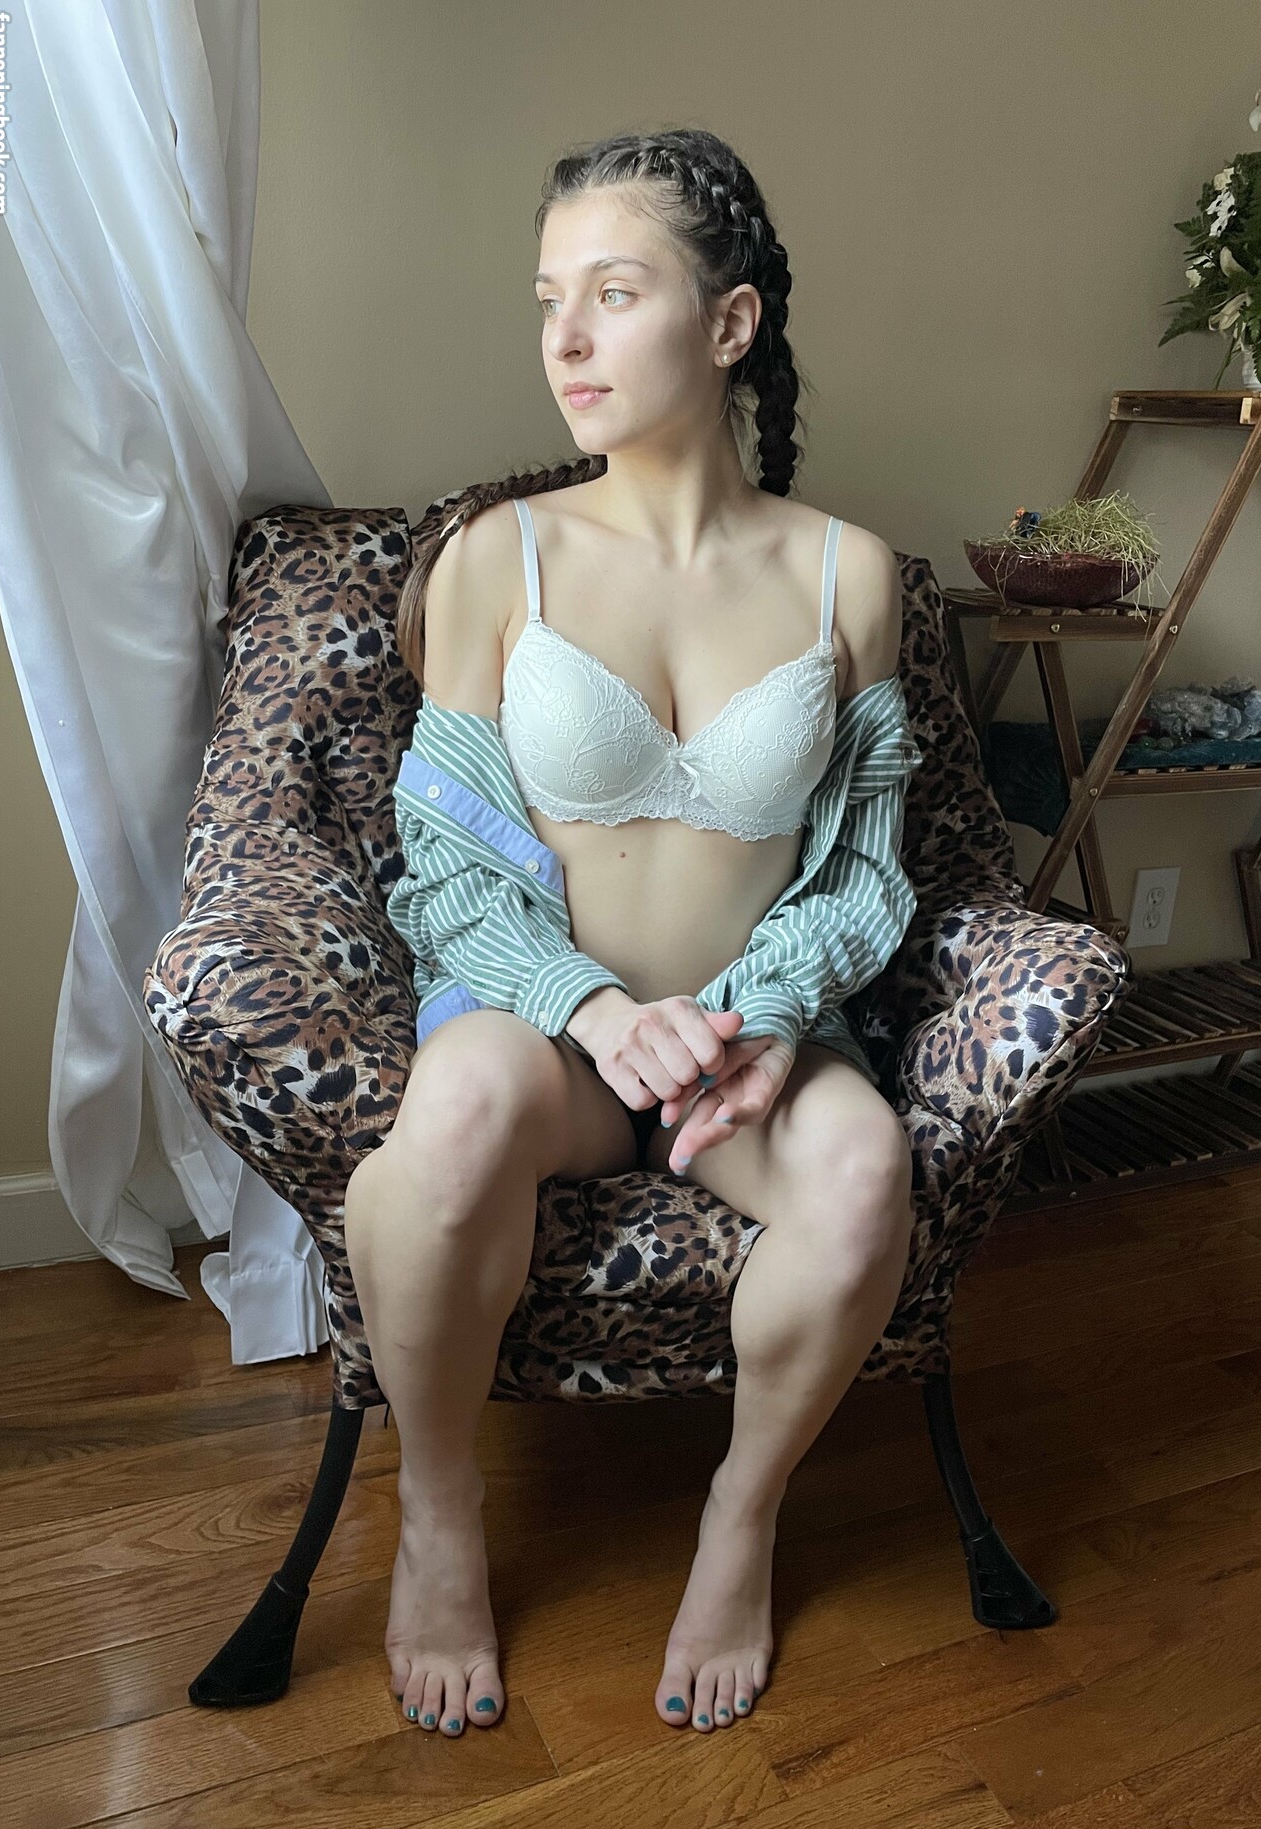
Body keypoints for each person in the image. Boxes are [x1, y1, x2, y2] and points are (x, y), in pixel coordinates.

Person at [344, 126, 923, 1744]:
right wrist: (591, 1008)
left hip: (746, 1053)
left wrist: (764, 1015)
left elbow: (867, 871)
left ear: (728, 324)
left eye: (614, 292)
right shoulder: (501, 558)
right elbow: (443, 862)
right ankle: (440, 1509)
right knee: (455, 1110)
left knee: (866, 1169)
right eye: (550, 300)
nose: (568, 340)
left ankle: (743, 1516)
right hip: (549, 1040)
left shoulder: (849, 575)